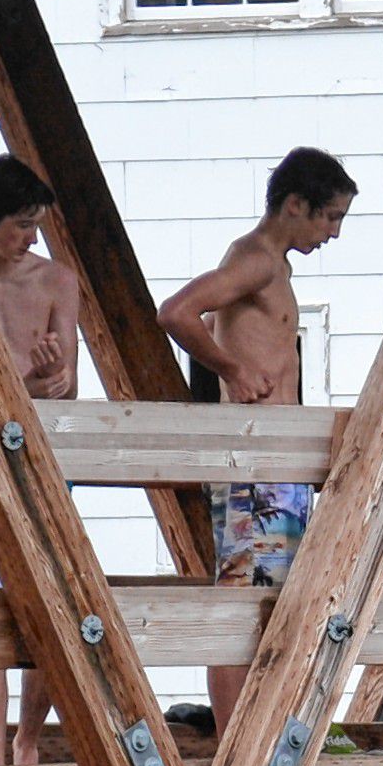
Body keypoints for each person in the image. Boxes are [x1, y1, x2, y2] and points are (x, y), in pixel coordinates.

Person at [156, 147, 358, 735]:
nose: (333, 233)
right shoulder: (256, 260)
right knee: (242, 596)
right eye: (329, 217)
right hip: (256, 466)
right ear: (295, 204)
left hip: (278, 463)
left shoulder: (274, 266)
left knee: (270, 602)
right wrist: (231, 369)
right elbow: (177, 312)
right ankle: (236, 738)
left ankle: (254, 731)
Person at [0, 154, 80, 766]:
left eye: (37, 225)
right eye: (21, 225)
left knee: (51, 605)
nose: (31, 238)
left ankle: (27, 740)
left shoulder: (57, 281)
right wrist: (26, 381)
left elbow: (67, 386)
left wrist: (52, 374)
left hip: (41, 461)